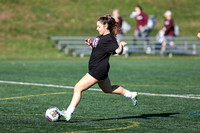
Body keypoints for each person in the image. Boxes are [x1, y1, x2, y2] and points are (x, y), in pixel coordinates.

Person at [58, 15, 138, 121]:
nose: (97, 28)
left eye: (99, 26)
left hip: (98, 69)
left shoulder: (110, 38)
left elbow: (117, 52)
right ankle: (131, 94)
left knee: (78, 88)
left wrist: (121, 47)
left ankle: (68, 113)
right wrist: (90, 44)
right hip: (99, 69)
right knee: (108, 89)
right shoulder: (100, 37)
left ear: (105, 26)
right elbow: (99, 50)